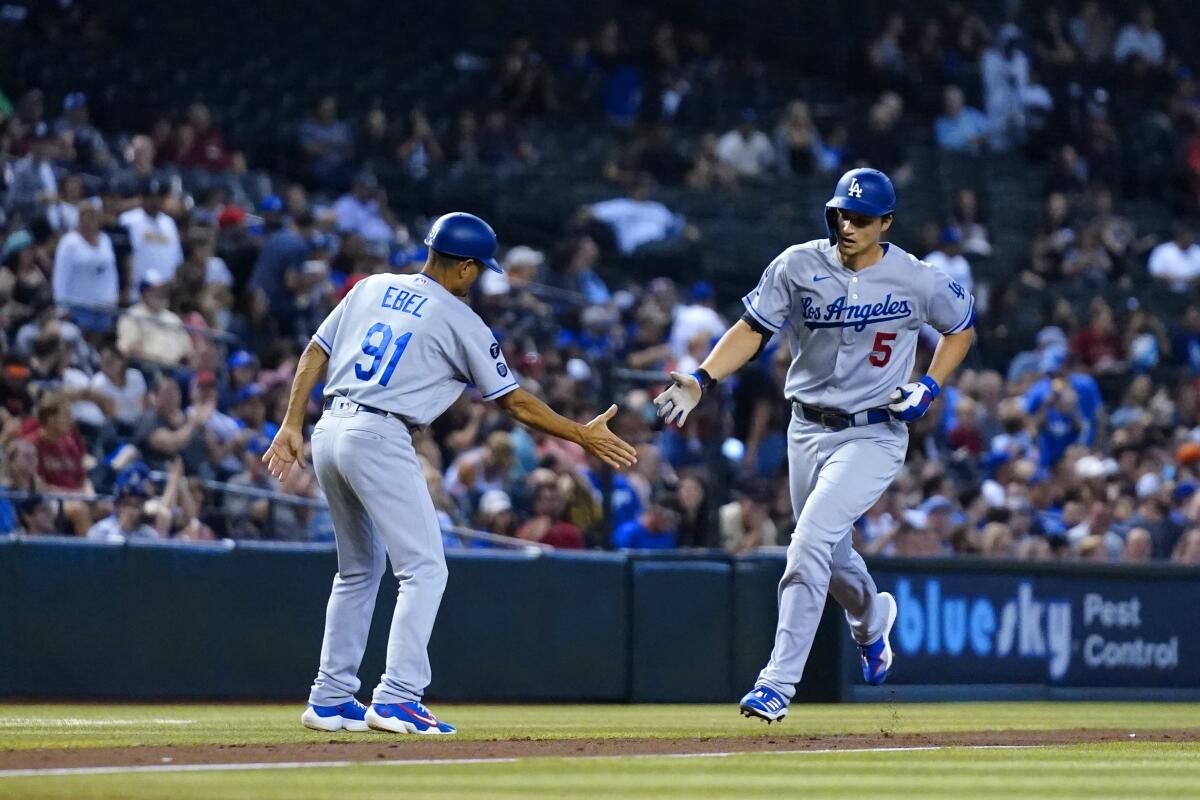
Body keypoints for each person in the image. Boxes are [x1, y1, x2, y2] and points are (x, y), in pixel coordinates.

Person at [264, 212, 637, 735]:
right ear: (464, 267)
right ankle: (396, 696)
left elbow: (315, 351)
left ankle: (329, 697)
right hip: (379, 434)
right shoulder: (460, 319)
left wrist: (289, 424)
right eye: (479, 269)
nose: (479, 278)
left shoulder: (372, 286)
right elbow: (516, 404)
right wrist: (580, 433)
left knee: (357, 571)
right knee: (425, 570)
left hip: (328, 428)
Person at [653, 168, 975, 722]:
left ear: (887, 223)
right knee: (833, 551)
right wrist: (701, 377)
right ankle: (873, 621)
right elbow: (752, 328)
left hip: (874, 431)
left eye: (862, 218)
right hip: (805, 428)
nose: (848, 225)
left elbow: (961, 325)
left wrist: (930, 384)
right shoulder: (797, 264)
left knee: (807, 544)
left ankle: (776, 683)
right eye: (841, 214)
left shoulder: (916, 277)